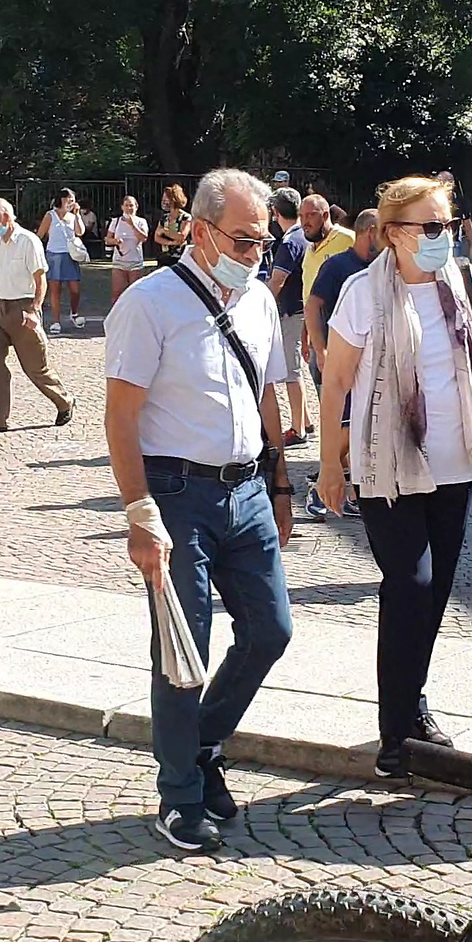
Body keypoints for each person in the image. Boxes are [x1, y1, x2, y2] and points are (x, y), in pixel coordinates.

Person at [104, 167, 295, 854]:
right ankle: (180, 794)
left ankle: (204, 744)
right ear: (200, 231)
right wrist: (139, 513)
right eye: (243, 242)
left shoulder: (260, 301)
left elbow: (266, 394)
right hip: (178, 493)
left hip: (245, 490)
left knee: (272, 630)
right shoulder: (150, 304)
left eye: (263, 244)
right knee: (183, 651)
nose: (255, 256)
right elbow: (120, 416)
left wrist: (280, 483)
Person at [317, 176, 472, 778]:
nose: (443, 237)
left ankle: (414, 707)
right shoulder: (361, 293)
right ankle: (395, 732)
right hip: (388, 467)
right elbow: (336, 381)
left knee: (437, 593)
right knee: (411, 586)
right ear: (394, 234)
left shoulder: (463, 281)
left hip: (457, 464)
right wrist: (328, 463)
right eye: (431, 227)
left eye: (448, 224)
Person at [302, 206, 379, 519]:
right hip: (338, 361)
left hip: (367, 364)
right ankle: (321, 488)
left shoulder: (381, 267)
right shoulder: (338, 266)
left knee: (360, 426)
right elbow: (312, 307)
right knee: (347, 427)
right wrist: (320, 351)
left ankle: (348, 492)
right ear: (369, 232)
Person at [0, 198, 74, 434]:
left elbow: (40, 279)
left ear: (7, 216)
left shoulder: (29, 241)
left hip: (23, 307)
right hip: (0, 307)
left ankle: (64, 400)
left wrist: (35, 310)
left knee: (35, 367)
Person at [265, 187, 311, 446]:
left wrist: (262, 307)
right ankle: (305, 419)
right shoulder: (304, 237)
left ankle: (297, 429)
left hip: (291, 311)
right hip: (301, 308)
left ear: (275, 212)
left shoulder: (289, 242)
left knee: (292, 371)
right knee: (297, 367)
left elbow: (277, 281)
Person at [37, 188, 87, 334]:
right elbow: (40, 234)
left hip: (70, 255)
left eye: (73, 200)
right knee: (55, 290)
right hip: (54, 254)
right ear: (62, 199)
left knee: (75, 290)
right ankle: (56, 321)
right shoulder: (50, 215)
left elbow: (80, 232)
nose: (71, 202)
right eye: (69, 199)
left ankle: (74, 313)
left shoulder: (72, 217)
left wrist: (77, 215)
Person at [105, 195, 149, 303]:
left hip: (135, 261)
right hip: (119, 261)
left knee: (135, 293)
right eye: (126, 205)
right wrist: (115, 241)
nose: (129, 208)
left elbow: (144, 238)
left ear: (136, 207)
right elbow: (107, 239)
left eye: (131, 205)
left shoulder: (141, 221)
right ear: (122, 207)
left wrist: (133, 225)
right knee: (117, 292)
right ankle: (116, 317)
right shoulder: (115, 221)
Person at [435, 170, 472, 256]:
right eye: (439, 181)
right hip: (435, 242)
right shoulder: (432, 201)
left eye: (447, 181)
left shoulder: (461, 201)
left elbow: (467, 224)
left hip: (454, 243)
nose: (443, 184)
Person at [153, 184, 191, 268]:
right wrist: (171, 243)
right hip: (164, 257)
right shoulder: (164, 217)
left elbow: (181, 236)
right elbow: (156, 237)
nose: (164, 201)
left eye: (166, 198)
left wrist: (164, 231)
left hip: (180, 258)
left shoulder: (186, 217)